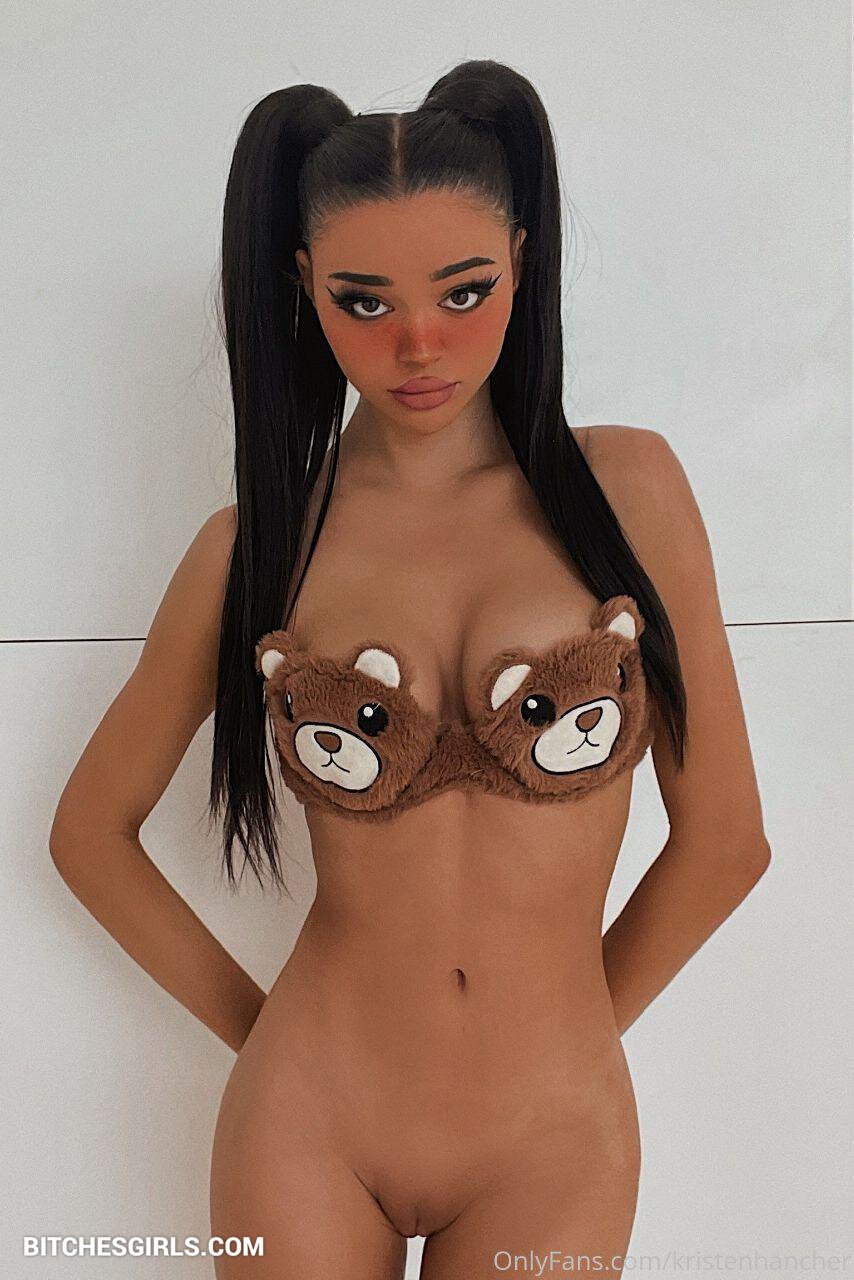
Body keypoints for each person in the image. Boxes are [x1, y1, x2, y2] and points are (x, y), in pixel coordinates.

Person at [49, 60, 772, 1279]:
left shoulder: (627, 493)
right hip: (309, 1121)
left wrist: (569, 1042)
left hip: (551, 1136)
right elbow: (88, 833)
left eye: (463, 289)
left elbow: (725, 845)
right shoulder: (257, 549)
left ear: (521, 262)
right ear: (304, 287)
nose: (418, 341)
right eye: (364, 301)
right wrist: (263, 1039)